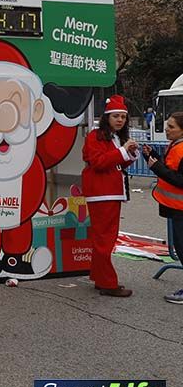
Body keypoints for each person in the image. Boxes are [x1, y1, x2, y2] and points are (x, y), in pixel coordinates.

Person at [82, 95, 138, 298]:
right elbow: (98, 162)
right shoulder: (95, 136)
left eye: (123, 117)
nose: (120, 120)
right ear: (107, 117)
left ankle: (100, 278)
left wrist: (130, 154)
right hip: (102, 193)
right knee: (105, 239)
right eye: (116, 116)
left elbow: (115, 164)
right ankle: (107, 282)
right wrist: (123, 151)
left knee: (104, 238)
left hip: (110, 192)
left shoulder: (114, 137)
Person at [144, 110, 183, 304]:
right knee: (179, 245)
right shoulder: (174, 146)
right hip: (175, 207)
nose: (166, 130)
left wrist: (156, 167)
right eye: (167, 125)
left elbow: (179, 179)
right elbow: (169, 169)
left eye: (171, 127)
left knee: (182, 247)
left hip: (181, 209)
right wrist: (151, 157)